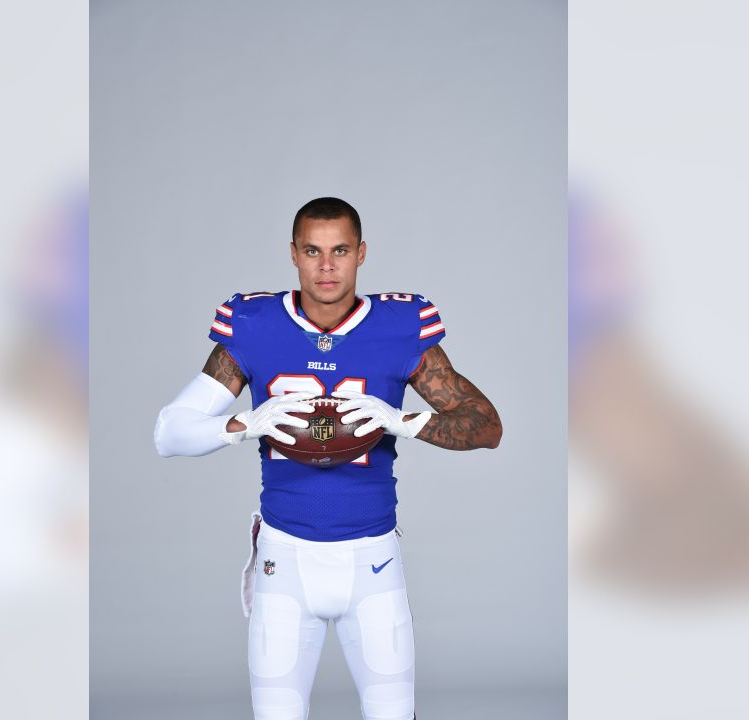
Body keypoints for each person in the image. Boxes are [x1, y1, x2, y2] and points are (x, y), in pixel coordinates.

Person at [154, 197, 502, 720]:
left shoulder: (400, 325)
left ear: (362, 254)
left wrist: (402, 420)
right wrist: (246, 424)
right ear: (293, 254)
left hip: (373, 560)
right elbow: (169, 433)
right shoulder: (253, 324)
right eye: (313, 251)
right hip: (284, 560)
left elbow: (486, 425)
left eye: (340, 250)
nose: (326, 266)